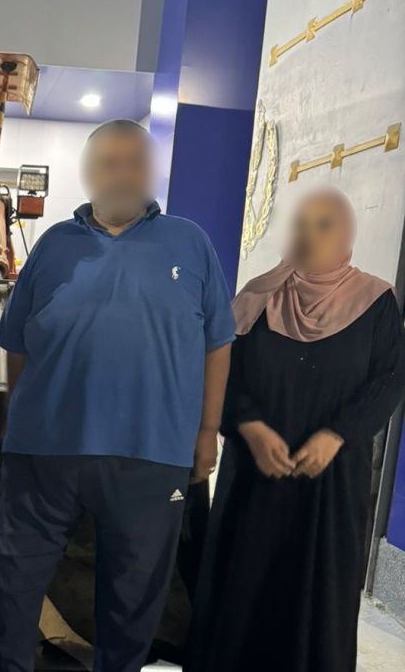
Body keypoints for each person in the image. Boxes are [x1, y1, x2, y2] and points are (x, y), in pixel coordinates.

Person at [0, 119, 236, 672]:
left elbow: (217, 343)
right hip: (45, 452)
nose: (123, 174)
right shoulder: (54, 244)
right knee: (14, 583)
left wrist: (206, 431)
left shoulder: (191, 242)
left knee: (133, 600)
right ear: (88, 174)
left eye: (136, 162)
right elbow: (16, 341)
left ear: (153, 172)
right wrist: (16, 413)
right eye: (109, 163)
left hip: (152, 455)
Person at [187, 188, 405, 672]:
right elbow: (223, 373)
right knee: (244, 588)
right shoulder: (258, 297)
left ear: (346, 234)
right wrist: (249, 426)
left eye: (324, 225)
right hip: (255, 476)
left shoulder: (375, 302)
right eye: (301, 223)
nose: (309, 234)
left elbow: (389, 379)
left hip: (331, 479)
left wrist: (336, 435)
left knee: (318, 590)